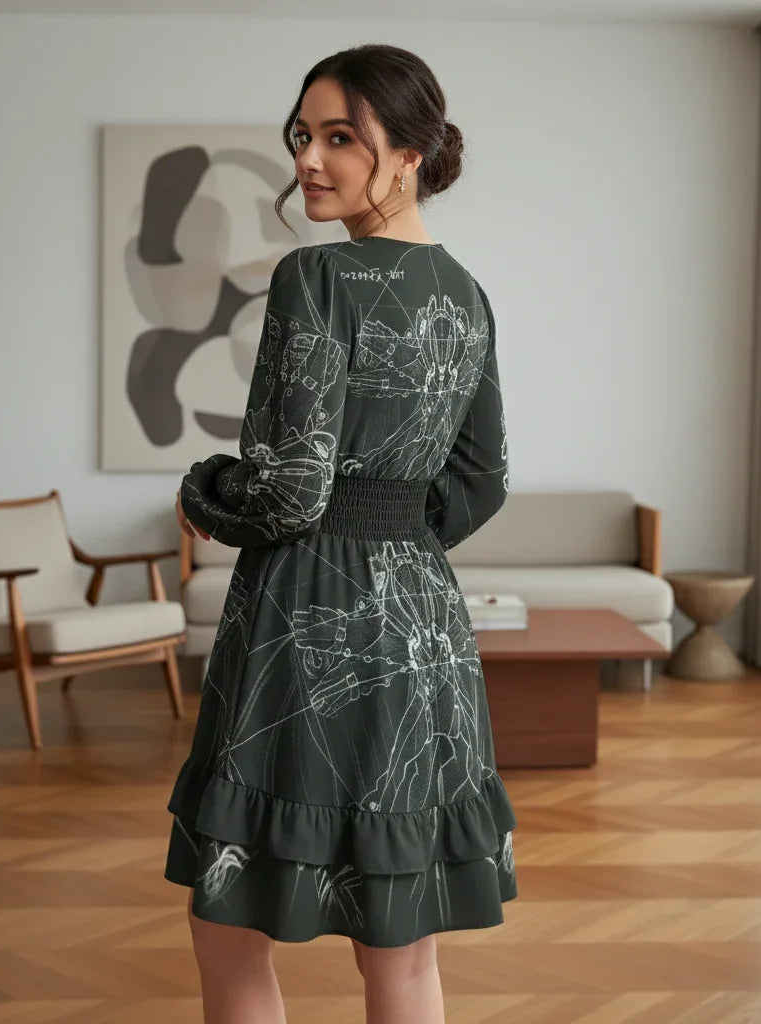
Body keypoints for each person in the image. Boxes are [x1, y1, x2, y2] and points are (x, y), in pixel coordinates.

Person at [169, 43, 515, 1024]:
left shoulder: (314, 277)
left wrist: (207, 491)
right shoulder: (466, 294)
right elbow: (481, 480)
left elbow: (287, 489)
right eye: (301, 137)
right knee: (400, 949)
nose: (309, 161)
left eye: (338, 139)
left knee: (229, 925)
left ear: (407, 154)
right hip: (422, 629)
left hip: (301, 617)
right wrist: (393, 529)